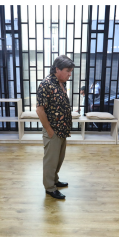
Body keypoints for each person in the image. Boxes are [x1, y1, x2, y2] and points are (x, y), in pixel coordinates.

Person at [36, 55, 75, 200]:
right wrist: (49, 130)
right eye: (67, 71)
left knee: (59, 159)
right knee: (50, 160)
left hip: (62, 129)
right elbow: (40, 110)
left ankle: (54, 180)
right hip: (53, 130)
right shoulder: (46, 84)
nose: (70, 74)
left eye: (71, 71)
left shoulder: (61, 83)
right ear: (57, 69)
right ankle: (49, 188)